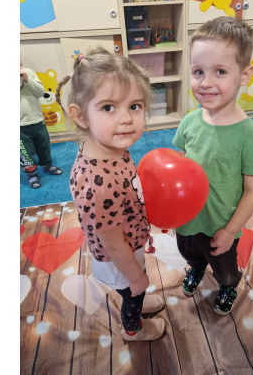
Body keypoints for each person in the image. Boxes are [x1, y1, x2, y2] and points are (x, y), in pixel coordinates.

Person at [56, 47, 166, 342]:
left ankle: (135, 295)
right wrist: (136, 277)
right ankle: (132, 328)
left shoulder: (106, 147)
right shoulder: (100, 183)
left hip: (129, 240)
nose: (126, 118)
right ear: (81, 116)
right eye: (108, 108)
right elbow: (114, 244)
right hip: (121, 257)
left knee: (134, 287)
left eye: (134, 106)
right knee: (133, 293)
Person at [172, 16, 253, 316]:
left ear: (244, 75)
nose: (205, 82)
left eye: (220, 71)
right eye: (198, 71)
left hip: (221, 225)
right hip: (188, 219)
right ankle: (196, 267)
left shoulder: (248, 135)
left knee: (225, 269)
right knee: (189, 252)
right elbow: (179, 168)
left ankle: (229, 286)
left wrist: (230, 231)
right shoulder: (189, 122)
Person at [20, 57, 62, 188]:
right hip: (20, 126)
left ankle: (47, 165)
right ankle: (31, 174)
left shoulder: (29, 72)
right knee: (26, 153)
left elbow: (40, 92)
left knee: (44, 146)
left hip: (37, 120)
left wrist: (27, 79)